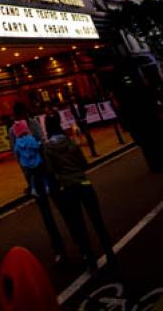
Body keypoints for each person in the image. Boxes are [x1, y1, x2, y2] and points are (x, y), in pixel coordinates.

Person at [44, 111, 115, 272]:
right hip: (84, 183)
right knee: (97, 220)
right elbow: (84, 164)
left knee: (79, 224)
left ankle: (90, 260)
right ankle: (109, 252)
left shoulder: (48, 149)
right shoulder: (71, 143)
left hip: (68, 188)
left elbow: (50, 170)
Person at [12, 120, 67, 264]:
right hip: (41, 166)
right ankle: (60, 248)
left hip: (30, 170)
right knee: (49, 212)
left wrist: (23, 161)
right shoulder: (30, 136)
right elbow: (40, 145)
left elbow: (16, 154)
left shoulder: (19, 139)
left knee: (54, 209)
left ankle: (35, 188)